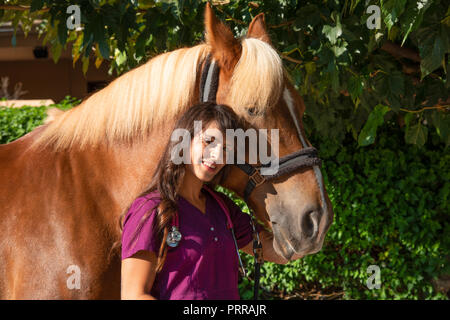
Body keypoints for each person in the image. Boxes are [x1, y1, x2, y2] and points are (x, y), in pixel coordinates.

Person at [120, 101, 286, 300]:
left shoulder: (222, 207)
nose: (216, 155)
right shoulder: (149, 209)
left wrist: (309, 234)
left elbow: (275, 250)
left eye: (226, 149)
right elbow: (133, 295)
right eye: (208, 142)